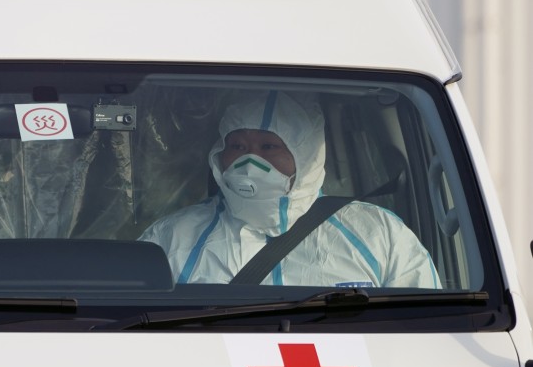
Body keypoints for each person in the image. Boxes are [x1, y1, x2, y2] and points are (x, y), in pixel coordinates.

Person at [139, 91, 440, 288]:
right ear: (220, 152)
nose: (249, 162)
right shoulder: (170, 239)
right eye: (238, 146)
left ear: (306, 155)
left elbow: (428, 333)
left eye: (268, 146)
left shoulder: (378, 235)